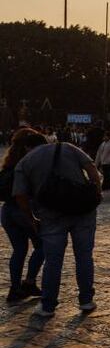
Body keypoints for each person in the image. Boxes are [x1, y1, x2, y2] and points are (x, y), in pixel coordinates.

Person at [12, 132, 102, 316]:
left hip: (51, 214)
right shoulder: (68, 147)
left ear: (27, 147)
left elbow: (19, 194)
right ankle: (86, 300)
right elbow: (92, 168)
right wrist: (96, 192)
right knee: (84, 256)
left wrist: (31, 218)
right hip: (82, 210)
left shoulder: (25, 162)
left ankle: (48, 305)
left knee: (53, 260)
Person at [1, 129, 47, 303]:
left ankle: (15, 289)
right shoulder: (29, 162)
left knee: (19, 250)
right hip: (24, 209)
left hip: (7, 211)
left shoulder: (10, 161)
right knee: (42, 245)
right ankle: (29, 281)